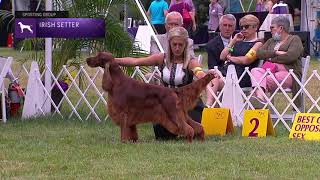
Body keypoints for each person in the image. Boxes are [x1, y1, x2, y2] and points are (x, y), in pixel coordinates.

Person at [115, 27, 209, 140]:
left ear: (186, 45)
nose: (177, 48)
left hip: (187, 104)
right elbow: (135, 62)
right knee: (163, 136)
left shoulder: (190, 62)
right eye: (174, 44)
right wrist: (113, 60)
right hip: (166, 103)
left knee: (192, 133)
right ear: (169, 44)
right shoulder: (161, 58)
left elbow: (198, 71)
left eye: (181, 45)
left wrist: (202, 75)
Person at [206, 14, 263, 106]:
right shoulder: (238, 42)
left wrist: (230, 58)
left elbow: (246, 60)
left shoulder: (258, 44)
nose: (244, 29)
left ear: (255, 27)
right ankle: (209, 105)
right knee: (212, 76)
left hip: (242, 76)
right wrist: (234, 40)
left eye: (247, 26)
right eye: (242, 27)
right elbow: (222, 56)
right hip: (228, 74)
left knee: (214, 76)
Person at [250, 16, 303, 108]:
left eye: (272, 27)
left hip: (290, 73)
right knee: (255, 70)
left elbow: (291, 56)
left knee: (267, 79)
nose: (270, 30)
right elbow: (259, 53)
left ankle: (259, 99)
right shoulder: (271, 41)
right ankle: (260, 97)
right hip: (269, 71)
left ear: (281, 28)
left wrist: (270, 58)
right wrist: (275, 52)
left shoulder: (295, 39)